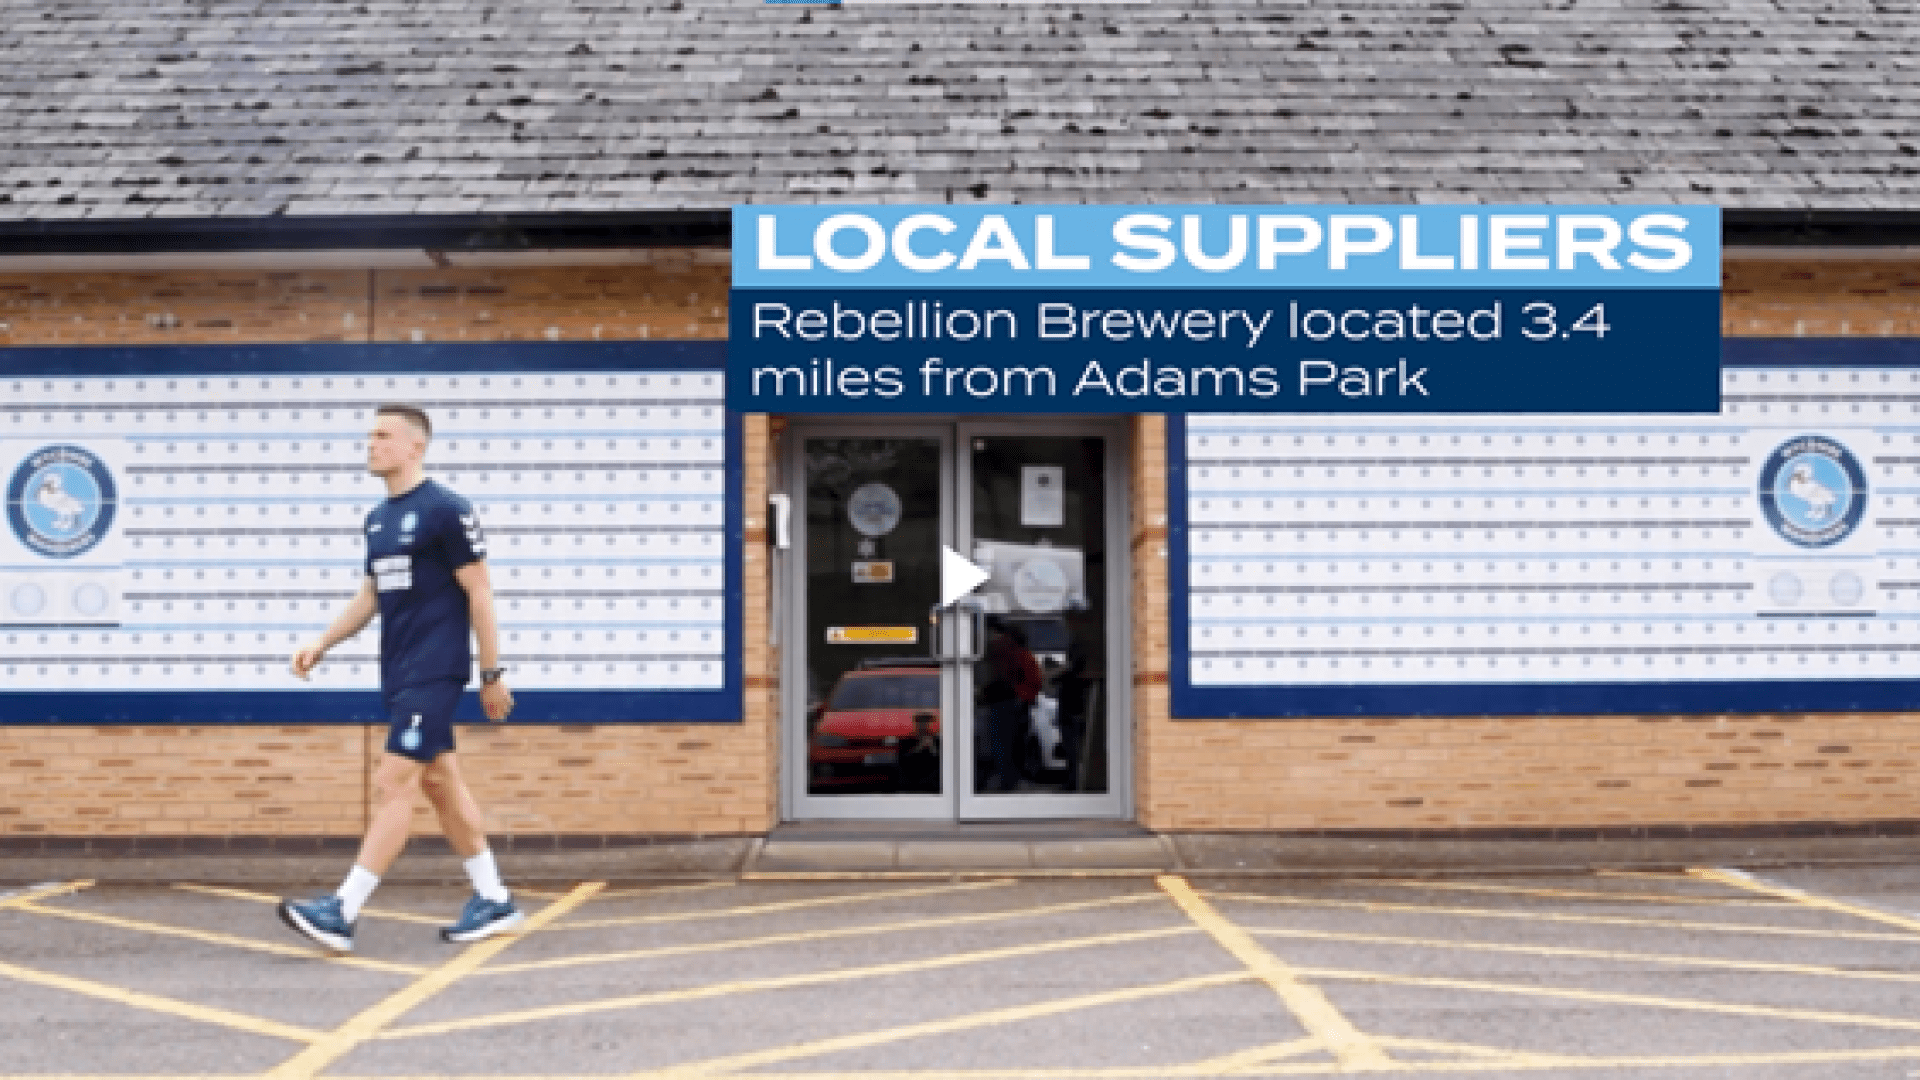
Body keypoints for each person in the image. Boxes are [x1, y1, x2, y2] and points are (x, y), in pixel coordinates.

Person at [276, 403, 519, 953]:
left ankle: (342, 910)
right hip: (400, 673)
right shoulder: (377, 520)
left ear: (416, 446)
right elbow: (370, 598)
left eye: (383, 436)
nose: (371, 444)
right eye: (369, 436)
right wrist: (322, 642)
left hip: (436, 671)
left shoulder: (446, 511)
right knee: (440, 783)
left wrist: (491, 673)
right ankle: (493, 897)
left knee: (393, 786)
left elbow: (479, 591)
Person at [977, 619, 1041, 793]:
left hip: (1005, 701)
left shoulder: (1002, 649)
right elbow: (1034, 680)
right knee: (1013, 743)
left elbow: (1001, 677)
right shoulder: (1020, 653)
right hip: (1014, 701)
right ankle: (1011, 780)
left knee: (1003, 743)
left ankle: (1006, 779)